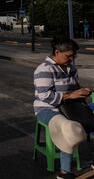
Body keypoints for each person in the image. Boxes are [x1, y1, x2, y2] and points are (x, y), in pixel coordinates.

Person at [34, 38, 91, 179]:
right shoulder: (44, 69)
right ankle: (65, 172)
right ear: (57, 52)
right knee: (69, 127)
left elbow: (74, 88)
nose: (71, 59)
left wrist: (82, 91)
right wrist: (71, 95)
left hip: (71, 107)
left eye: (73, 56)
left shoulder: (71, 67)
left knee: (74, 125)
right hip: (47, 109)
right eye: (68, 56)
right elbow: (45, 96)